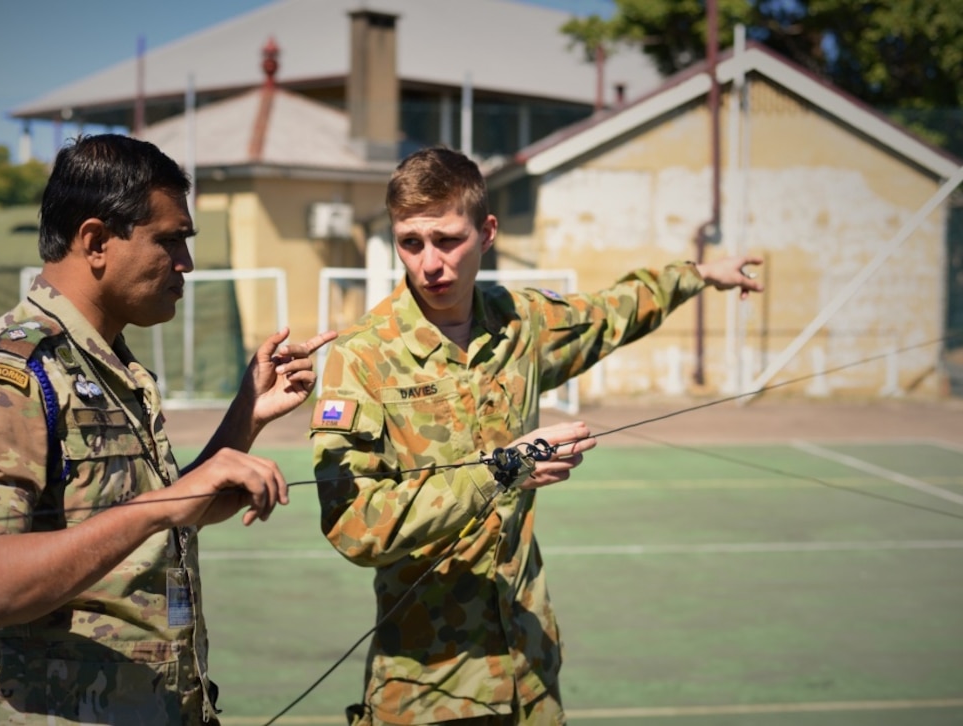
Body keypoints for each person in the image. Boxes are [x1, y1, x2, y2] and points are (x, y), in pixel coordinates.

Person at [310, 146, 763, 725]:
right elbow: (353, 526)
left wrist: (698, 276)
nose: (429, 264)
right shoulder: (363, 357)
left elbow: (610, 312)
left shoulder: (521, 323)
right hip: (431, 686)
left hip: (529, 670)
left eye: (448, 239)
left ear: (487, 231)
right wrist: (499, 469)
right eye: (410, 242)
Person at [0, 133, 336, 725]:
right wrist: (160, 507)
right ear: (95, 242)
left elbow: (151, 517)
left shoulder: (105, 366)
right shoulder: (7, 375)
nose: (185, 264)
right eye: (170, 241)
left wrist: (248, 413)